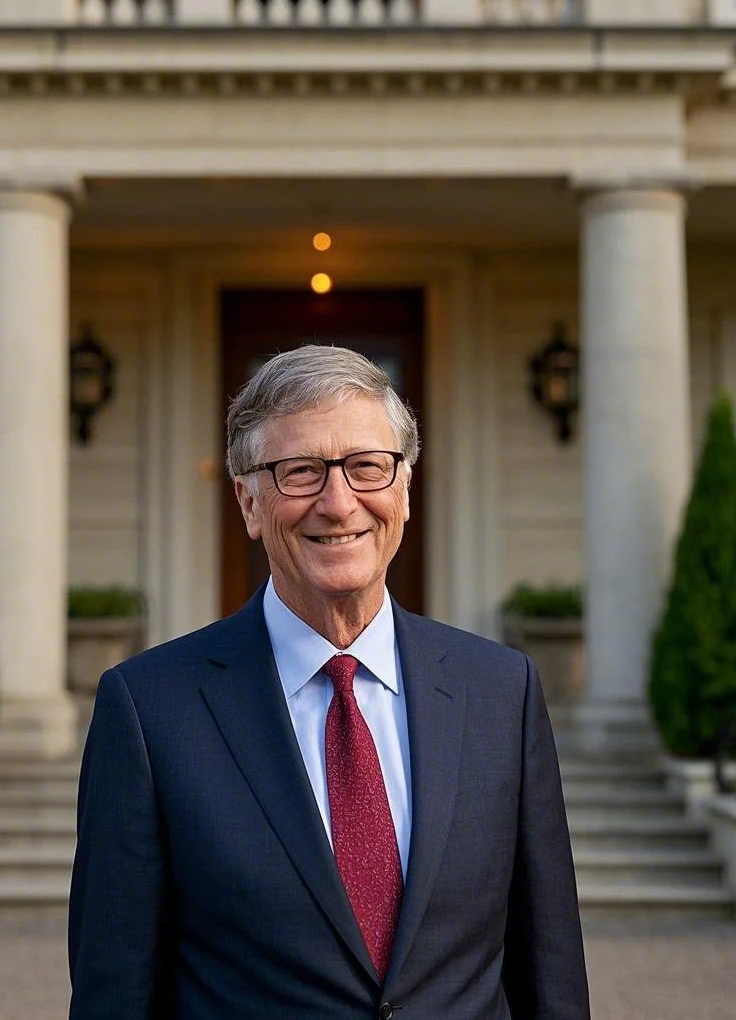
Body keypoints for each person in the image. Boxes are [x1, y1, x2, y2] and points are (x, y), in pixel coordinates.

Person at [68, 344, 590, 1019]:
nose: (338, 503)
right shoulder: (149, 710)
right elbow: (114, 995)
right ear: (250, 502)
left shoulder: (501, 692)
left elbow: (549, 971)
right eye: (301, 472)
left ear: (403, 489)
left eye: (367, 467)